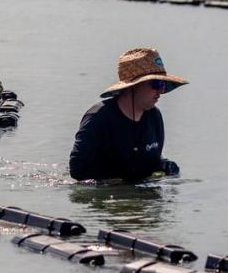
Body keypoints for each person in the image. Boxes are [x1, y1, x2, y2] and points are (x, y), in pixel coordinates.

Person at [69, 48, 188, 181]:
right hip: (110, 198)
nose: (161, 90)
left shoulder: (154, 116)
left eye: (163, 84)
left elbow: (151, 161)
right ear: (134, 86)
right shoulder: (98, 117)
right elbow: (77, 170)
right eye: (157, 83)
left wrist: (163, 165)